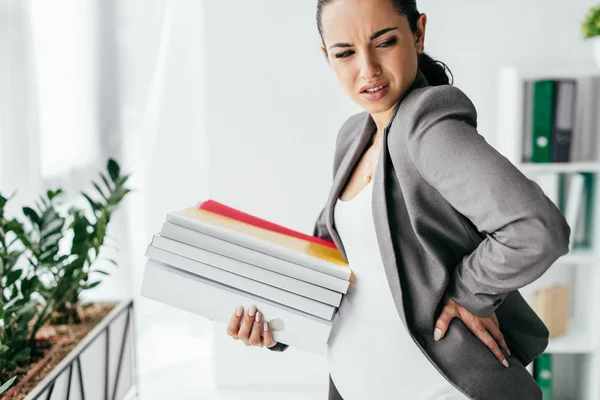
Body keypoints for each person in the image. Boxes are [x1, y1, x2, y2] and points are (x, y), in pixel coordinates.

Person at [226, 0, 571, 399]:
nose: (368, 69)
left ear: (418, 33)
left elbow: (536, 229)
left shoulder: (427, 127)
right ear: (327, 56)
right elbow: (331, 263)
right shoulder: (353, 136)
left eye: (385, 42)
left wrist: (467, 293)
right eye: (345, 53)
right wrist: (275, 324)